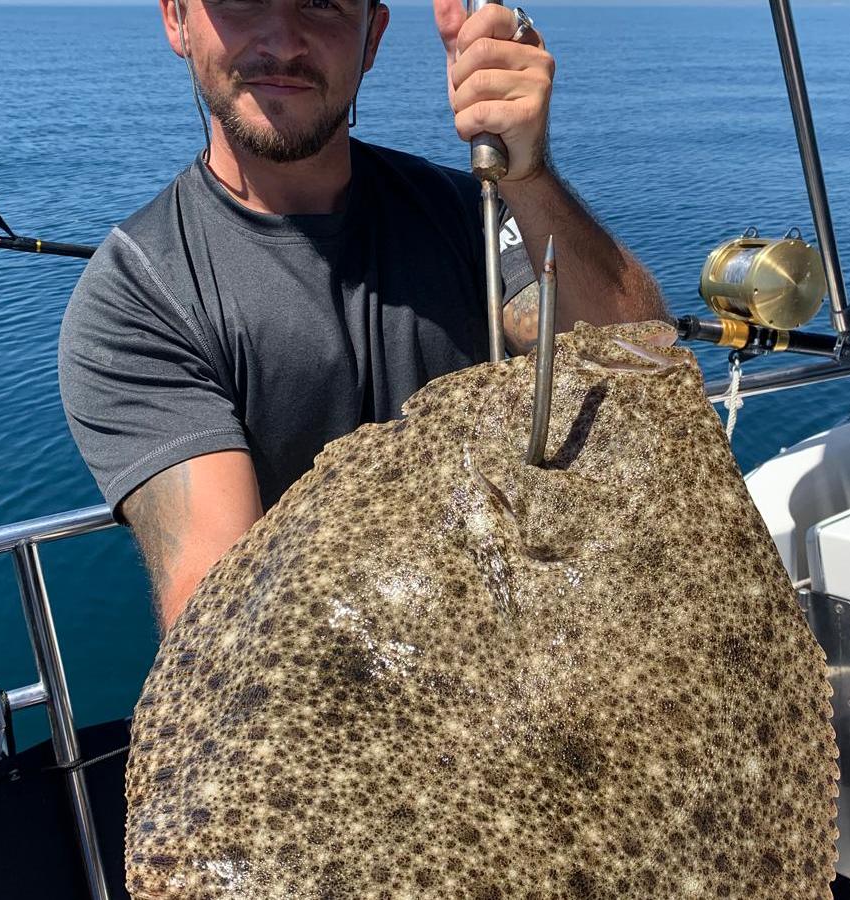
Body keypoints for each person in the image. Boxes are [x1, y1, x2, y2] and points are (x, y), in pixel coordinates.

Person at [58, 0, 666, 631]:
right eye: (241, 2)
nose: (284, 39)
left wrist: (529, 176)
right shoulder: (138, 298)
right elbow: (220, 625)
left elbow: (640, 370)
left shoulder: (469, 217)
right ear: (176, 19)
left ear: (372, 38)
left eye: (322, 4)